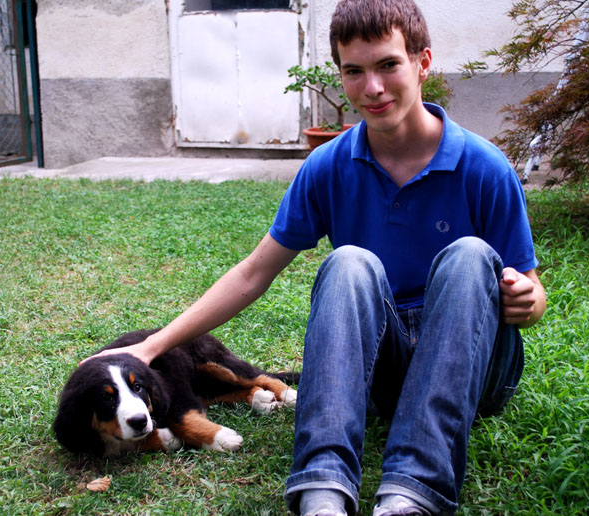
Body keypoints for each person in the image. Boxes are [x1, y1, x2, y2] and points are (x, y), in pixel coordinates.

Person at [86, 0, 546, 514]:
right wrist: (150, 347)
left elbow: (532, 293)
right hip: (382, 371)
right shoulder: (328, 167)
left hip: (473, 371)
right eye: (354, 71)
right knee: (349, 261)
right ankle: (323, 486)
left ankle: (413, 492)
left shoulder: (484, 166)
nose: (372, 87)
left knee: (469, 255)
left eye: (388, 65)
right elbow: (252, 273)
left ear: (423, 62)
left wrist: (528, 300)